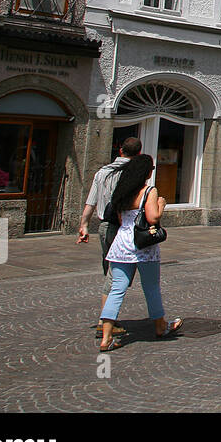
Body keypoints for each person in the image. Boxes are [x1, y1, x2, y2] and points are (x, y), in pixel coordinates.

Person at [98, 155, 182, 351]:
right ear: (146, 172)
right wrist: (161, 204)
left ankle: (106, 336)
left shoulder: (123, 191)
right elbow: (153, 218)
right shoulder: (149, 191)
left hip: (121, 244)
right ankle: (160, 326)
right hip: (143, 246)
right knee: (151, 287)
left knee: (117, 289)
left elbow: (119, 218)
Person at [77, 137, 142, 337]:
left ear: (120, 150)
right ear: (138, 153)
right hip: (121, 227)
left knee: (111, 271)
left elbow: (91, 201)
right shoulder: (133, 173)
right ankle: (105, 321)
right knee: (116, 274)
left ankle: (107, 318)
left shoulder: (103, 172)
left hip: (104, 227)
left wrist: (84, 225)